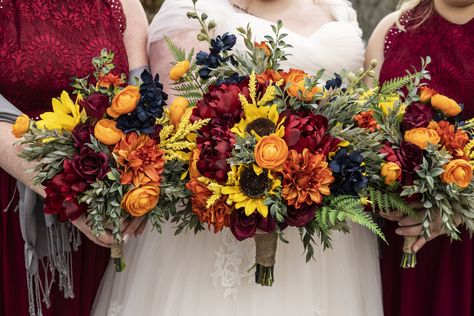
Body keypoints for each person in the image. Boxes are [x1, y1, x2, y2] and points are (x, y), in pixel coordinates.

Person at [92, 1, 383, 315]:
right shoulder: (190, 9)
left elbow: (363, 111)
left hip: (327, 223)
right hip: (223, 219)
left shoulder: (337, 8)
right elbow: (175, 127)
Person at [0, 1, 148, 315]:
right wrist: (73, 199)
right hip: (10, 205)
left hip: (101, 211)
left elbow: (143, 103)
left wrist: (141, 187)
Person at [365, 0, 474, 315]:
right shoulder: (392, 30)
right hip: (399, 239)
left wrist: (457, 211)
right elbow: (364, 130)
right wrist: (383, 193)